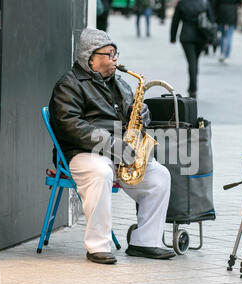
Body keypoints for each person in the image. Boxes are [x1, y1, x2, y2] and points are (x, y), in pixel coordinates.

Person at [48, 28, 175, 264]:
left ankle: (145, 242)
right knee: (101, 171)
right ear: (91, 58)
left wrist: (141, 117)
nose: (115, 58)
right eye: (110, 54)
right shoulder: (68, 85)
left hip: (119, 151)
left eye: (116, 53)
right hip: (82, 152)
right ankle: (98, 246)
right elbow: (70, 125)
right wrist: (110, 143)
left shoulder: (120, 84)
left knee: (160, 176)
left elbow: (131, 115)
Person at [170, 0, 215, 98]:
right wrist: (211, 39)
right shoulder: (204, 3)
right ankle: (193, 87)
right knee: (195, 61)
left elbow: (175, 20)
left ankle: (193, 88)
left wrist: (173, 37)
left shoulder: (182, 3)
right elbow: (211, 20)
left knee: (192, 62)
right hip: (201, 36)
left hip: (186, 36)